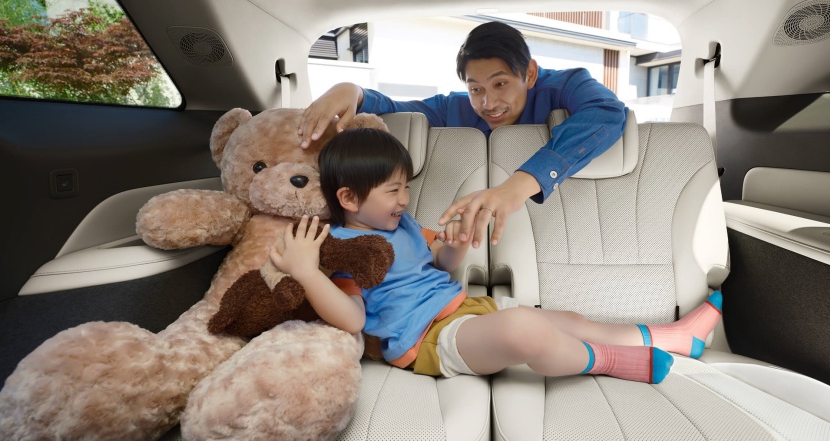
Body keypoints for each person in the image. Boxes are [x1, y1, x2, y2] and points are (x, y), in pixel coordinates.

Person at [270, 128, 724, 382]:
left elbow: (441, 265)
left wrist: (453, 246)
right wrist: (308, 273)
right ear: (349, 198)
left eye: (406, 187)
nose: (405, 199)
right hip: (428, 340)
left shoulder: (402, 223)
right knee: (526, 328)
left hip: (467, 311)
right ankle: (613, 361)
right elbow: (352, 319)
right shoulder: (342, 249)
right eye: (393, 190)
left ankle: (671, 336)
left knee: (568, 319)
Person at [298, 21, 627, 250]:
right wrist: (352, 91)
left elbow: (607, 112)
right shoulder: (454, 109)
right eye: (475, 89)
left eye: (500, 84)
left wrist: (518, 186)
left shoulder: (565, 85)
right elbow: (395, 108)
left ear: (529, 73)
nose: (488, 103)